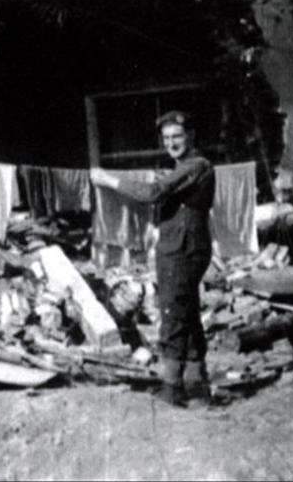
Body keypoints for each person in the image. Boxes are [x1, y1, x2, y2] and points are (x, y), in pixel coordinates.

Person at [90, 111, 215, 407]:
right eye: (166, 138)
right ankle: (196, 385)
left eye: (177, 136)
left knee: (172, 315)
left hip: (182, 250)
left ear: (191, 136)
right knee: (187, 313)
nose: (171, 143)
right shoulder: (185, 167)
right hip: (183, 246)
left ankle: (172, 386)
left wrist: (108, 180)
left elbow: (153, 192)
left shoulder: (196, 165)